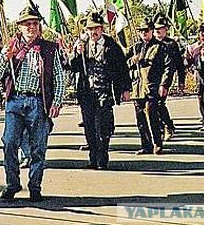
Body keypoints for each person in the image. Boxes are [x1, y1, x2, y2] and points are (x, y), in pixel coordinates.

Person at [0, 6, 64, 202]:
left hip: (38, 102)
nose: (32, 27)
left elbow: (59, 77)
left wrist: (56, 101)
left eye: (35, 23)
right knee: (9, 142)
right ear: (20, 27)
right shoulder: (11, 47)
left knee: (37, 147)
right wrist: (5, 58)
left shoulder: (49, 49)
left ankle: (35, 186)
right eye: (27, 23)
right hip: (15, 101)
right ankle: (12, 183)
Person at [69, 12, 131, 170]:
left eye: (96, 28)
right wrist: (77, 53)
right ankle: (93, 158)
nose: (93, 32)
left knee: (104, 127)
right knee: (89, 127)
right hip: (87, 93)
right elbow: (71, 66)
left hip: (105, 91)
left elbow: (122, 68)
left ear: (102, 28)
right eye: (90, 29)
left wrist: (125, 88)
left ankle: (102, 157)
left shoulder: (111, 46)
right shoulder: (82, 44)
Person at [127, 18, 173, 155]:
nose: (143, 33)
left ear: (152, 31)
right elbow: (122, 61)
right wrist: (132, 60)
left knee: (152, 115)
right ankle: (145, 145)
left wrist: (164, 84)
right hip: (138, 87)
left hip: (152, 85)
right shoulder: (136, 47)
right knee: (140, 118)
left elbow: (168, 67)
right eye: (141, 31)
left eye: (146, 31)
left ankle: (157, 143)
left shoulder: (160, 47)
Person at [153, 15, 185, 141]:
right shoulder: (151, 43)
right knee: (152, 105)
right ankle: (159, 128)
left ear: (166, 29)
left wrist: (181, 81)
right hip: (152, 79)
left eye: (160, 28)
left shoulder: (171, 44)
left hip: (165, 78)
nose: (158, 31)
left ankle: (168, 126)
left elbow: (179, 64)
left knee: (160, 103)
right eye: (156, 28)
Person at [185, 23, 204, 132]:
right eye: (200, 31)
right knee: (200, 98)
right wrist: (187, 58)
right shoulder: (193, 47)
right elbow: (188, 63)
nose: (202, 34)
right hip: (199, 74)